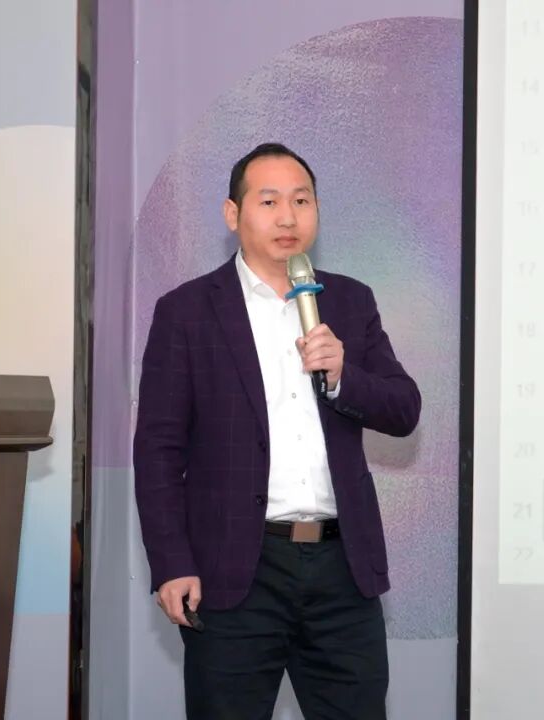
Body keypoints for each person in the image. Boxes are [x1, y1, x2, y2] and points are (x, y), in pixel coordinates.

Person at [133, 142, 421, 720]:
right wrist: (171, 561)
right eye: (269, 202)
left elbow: (403, 408)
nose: (288, 217)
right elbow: (158, 450)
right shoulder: (186, 311)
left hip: (342, 571)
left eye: (301, 201)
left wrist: (344, 376)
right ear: (233, 214)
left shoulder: (349, 301)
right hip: (234, 571)